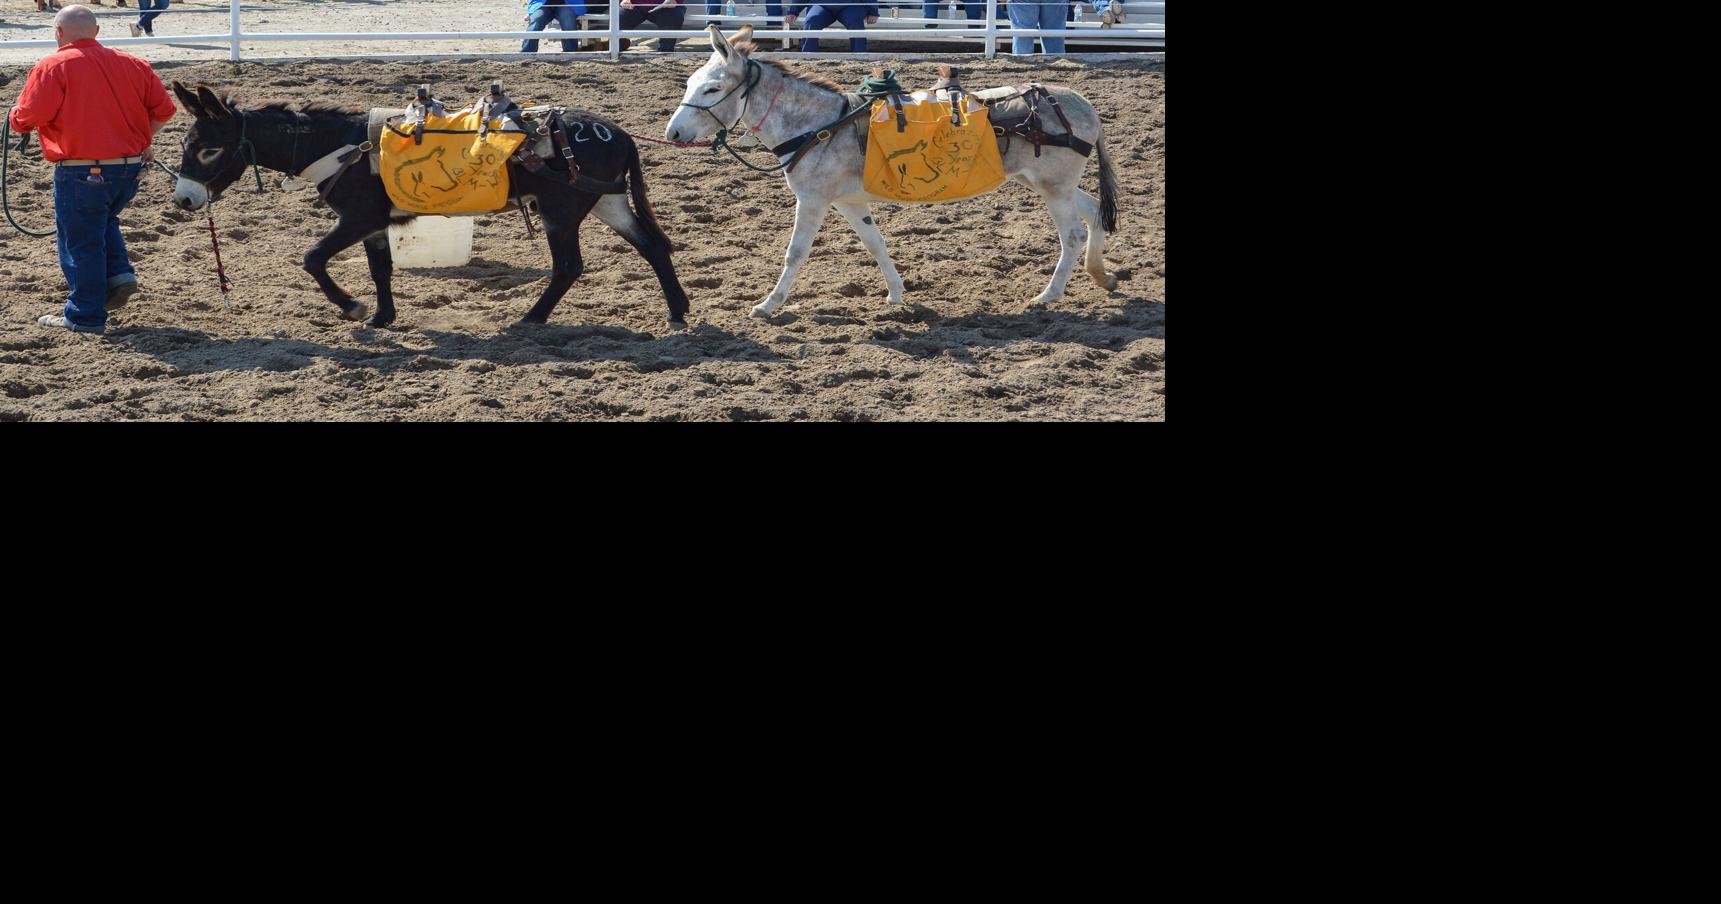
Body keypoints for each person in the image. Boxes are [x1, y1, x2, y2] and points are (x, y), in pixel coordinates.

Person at [8, 5, 175, 336]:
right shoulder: (133, 63)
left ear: (58, 33)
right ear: (97, 32)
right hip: (129, 168)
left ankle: (85, 317)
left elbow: (28, 117)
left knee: (79, 238)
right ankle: (117, 275)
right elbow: (164, 111)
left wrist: (14, 115)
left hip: (82, 169)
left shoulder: (53, 66)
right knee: (103, 220)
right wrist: (141, 141)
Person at [786, 3, 879, 52]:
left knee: (855, 22)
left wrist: (873, 12)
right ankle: (808, 55)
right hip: (822, 5)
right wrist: (793, 12)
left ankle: (860, 55)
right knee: (811, 20)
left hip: (850, 5)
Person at [618, 0, 687, 52]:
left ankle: (666, 52)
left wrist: (675, 0)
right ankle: (620, 43)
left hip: (663, 5)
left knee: (673, 16)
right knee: (618, 16)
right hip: (634, 4)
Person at [522, 0, 586, 52]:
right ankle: (527, 53)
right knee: (536, 21)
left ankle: (571, 53)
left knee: (568, 22)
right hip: (542, 4)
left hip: (567, 4)